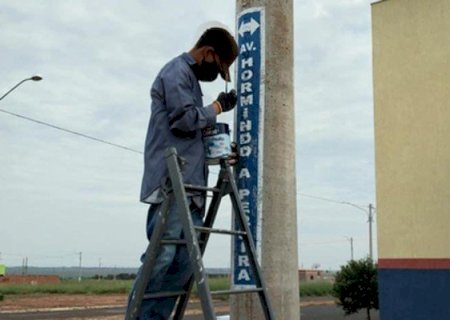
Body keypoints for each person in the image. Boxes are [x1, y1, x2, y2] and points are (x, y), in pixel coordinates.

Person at [127, 26, 239, 320]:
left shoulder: (191, 81)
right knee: (161, 256)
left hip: (193, 186)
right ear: (208, 53)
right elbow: (184, 122)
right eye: (218, 68)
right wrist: (216, 107)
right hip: (172, 182)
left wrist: (223, 148)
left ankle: (156, 318)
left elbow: (195, 135)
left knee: (185, 261)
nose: (216, 75)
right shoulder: (175, 72)